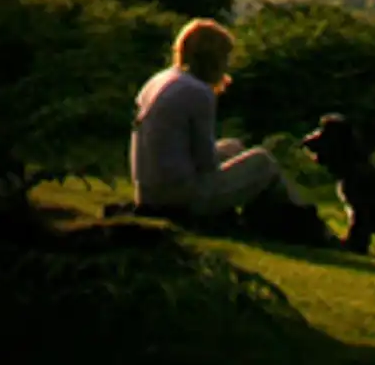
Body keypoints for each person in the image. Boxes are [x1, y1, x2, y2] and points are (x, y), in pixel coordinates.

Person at [130, 18, 311, 222]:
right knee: (263, 162)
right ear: (213, 59)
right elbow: (206, 164)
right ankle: (301, 217)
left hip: (148, 193)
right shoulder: (198, 92)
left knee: (232, 147)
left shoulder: (159, 80)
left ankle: (279, 215)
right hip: (177, 200)